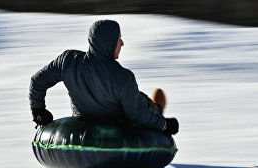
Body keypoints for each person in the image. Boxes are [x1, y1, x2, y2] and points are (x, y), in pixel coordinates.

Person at [29, 20, 179, 136]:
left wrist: (38, 110)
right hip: (117, 125)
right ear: (109, 42)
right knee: (141, 101)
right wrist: (165, 125)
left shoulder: (67, 61)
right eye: (119, 39)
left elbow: (37, 81)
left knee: (137, 97)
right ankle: (157, 108)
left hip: (82, 118)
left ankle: (155, 106)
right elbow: (137, 115)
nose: (122, 43)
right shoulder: (123, 77)